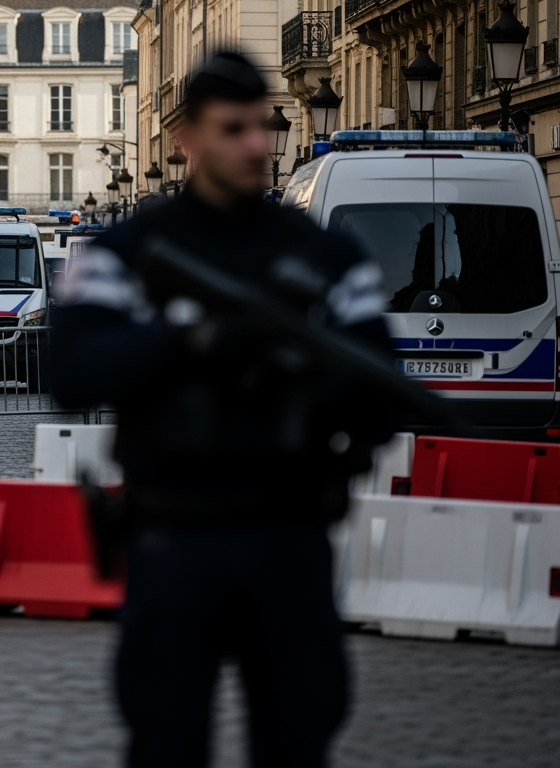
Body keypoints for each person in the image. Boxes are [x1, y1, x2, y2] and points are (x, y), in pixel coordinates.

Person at [50, 51, 398, 767]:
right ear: (186, 140)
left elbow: (381, 390)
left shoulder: (327, 257)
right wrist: (193, 339)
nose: (254, 145)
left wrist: (297, 368)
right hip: (175, 532)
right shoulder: (131, 253)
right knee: (167, 735)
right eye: (231, 128)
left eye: (262, 127)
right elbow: (72, 370)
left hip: (289, 530)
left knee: (299, 734)